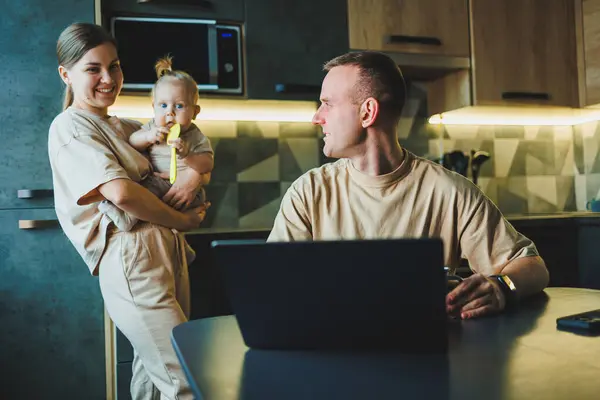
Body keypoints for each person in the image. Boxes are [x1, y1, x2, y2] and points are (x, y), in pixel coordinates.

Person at [268, 51, 549, 320]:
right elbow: (273, 285)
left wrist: (501, 287)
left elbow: (533, 267)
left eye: (327, 103)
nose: (317, 117)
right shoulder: (309, 193)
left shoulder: (450, 191)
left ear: (367, 112)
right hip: (330, 353)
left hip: (426, 354)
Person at [48, 23, 206, 399]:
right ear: (65, 74)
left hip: (165, 253)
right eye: (93, 69)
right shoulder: (69, 127)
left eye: (114, 66)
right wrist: (182, 219)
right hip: (133, 258)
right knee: (185, 379)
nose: (108, 78)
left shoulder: (124, 125)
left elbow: (188, 148)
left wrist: (194, 177)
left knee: (154, 379)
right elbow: (121, 193)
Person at [98, 55, 214, 262]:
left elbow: (207, 164)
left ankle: (170, 238)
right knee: (145, 191)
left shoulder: (195, 136)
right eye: (163, 106)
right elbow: (133, 142)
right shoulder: (152, 127)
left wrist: (187, 156)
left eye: (179, 106)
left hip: (188, 195)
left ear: (194, 112)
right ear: (153, 107)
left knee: (152, 193)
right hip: (157, 182)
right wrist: (149, 137)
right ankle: (132, 220)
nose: (169, 113)